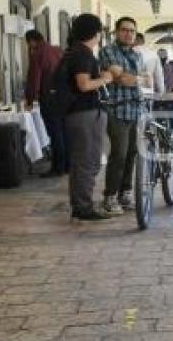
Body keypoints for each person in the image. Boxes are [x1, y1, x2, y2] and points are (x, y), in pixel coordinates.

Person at [64, 14, 113, 221]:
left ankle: (80, 205)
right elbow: (84, 85)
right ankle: (84, 207)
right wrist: (105, 78)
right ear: (95, 32)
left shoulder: (73, 51)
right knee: (88, 161)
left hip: (76, 114)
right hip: (86, 114)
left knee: (80, 161)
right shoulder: (84, 54)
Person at [98, 17, 143, 216]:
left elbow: (130, 78)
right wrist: (139, 78)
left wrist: (133, 78)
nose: (128, 34)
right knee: (119, 154)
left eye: (132, 31)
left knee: (132, 153)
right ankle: (110, 196)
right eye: (124, 30)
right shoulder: (108, 51)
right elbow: (121, 79)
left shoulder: (137, 55)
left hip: (136, 110)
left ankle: (125, 193)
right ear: (116, 32)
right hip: (116, 110)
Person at [24, 29, 68, 176]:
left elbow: (34, 79)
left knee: (54, 134)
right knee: (63, 132)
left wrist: (30, 100)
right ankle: (67, 165)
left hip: (49, 98)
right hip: (63, 97)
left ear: (32, 41)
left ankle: (57, 168)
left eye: (29, 44)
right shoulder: (58, 50)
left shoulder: (38, 54)